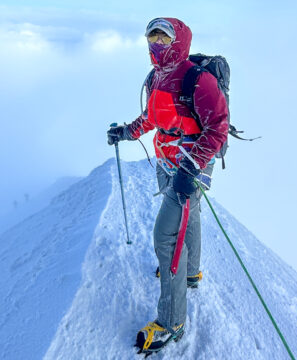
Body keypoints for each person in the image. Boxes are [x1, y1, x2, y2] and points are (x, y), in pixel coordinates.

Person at [106, 17, 228, 353]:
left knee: (165, 236)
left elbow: (217, 127)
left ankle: (171, 323)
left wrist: (191, 167)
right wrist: (126, 133)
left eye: (163, 38)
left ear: (178, 41)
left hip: (189, 165)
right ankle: (190, 275)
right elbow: (152, 118)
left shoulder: (197, 79)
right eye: (152, 38)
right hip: (167, 159)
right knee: (191, 217)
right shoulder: (157, 76)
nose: (156, 44)